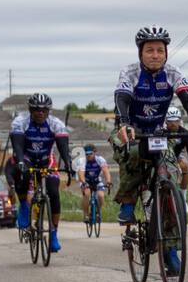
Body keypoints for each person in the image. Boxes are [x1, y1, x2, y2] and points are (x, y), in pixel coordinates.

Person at [111, 26, 188, 277]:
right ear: (140, 53)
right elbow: (122, 97)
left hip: (157, 132)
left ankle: (170, 253)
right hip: (130, 129)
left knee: (170, 171)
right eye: (149, 51)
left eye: (160, 50)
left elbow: (187, 98)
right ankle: (128, 200)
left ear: (166, 53)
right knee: (131, 153)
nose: (155, 55)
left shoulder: (173, 73)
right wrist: (124, 123)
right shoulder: (130, 73)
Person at [9, 92, 75, 253]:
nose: (40, 113)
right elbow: (17, 146)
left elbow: (63, 148)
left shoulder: (56, 124)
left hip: (47, 159)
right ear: (30, 110)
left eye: (44, 110)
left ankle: (53, 234)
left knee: (53, 192)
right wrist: (19, 162)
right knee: (22, 174)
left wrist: (68, 164)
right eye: (36, 109)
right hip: (27, 157)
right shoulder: (20, 122)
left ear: (48, 111)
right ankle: (24, 206)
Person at [163, 105, 188, 198]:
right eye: (170, 121)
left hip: (175, 156)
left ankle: (183, 197)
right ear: (165, 121)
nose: (173, 123)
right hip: (160, 157)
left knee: (185, 165)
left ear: (179, 121)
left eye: (176, 121)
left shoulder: (185, 133)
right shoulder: (161, 131)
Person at [80, 144, 111, 222]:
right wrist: (84, 182)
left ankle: (98, 212)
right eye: (86, 154)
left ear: (95, 153)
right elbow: (81, 174)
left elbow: (105, 170)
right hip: (86, 181)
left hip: (97, 181)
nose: (88, 156)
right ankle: (86, 214)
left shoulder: (100, 159)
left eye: (90, 153)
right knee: (86, 194)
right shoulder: (82, 161)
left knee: (101, 195)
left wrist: (108, 181)